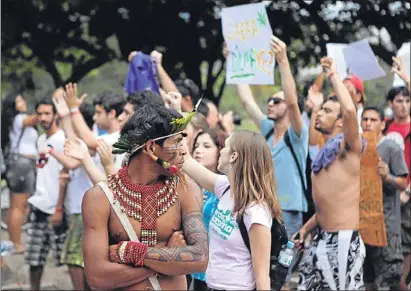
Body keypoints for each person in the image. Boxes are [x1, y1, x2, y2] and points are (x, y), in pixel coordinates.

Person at [80, 105, 207, 290]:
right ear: (151, 147)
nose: (183, 151)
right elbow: (98, 277)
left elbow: (201, 258)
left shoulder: (186, 189)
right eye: (176, 143)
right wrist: (167, 256)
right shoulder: (100, 198)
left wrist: (132, 252)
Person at [294, 57, 366, 290]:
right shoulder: (324, 150)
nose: (319, 113)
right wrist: (306, 228)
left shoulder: (349, 148)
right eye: (320, 109)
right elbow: (329, 204)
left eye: (326, 110)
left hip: (343, 241)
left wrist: (333, 75)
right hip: (320, 238)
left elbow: (349, 110)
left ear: (339, 121)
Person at [182, 130, 282, 290]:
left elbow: (263, 276)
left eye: (225, 146)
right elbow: (186, 162)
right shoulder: (226, 188)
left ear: (233, 156)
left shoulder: (256, 212)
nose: (221, 150)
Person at [232, 36, 309, 238]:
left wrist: (283, 61)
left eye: (277, 100)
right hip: (262, 208)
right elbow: (247, 102)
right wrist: (235, 61)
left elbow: (292, 103)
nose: (271, 104)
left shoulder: (298, 135)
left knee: (281, 267)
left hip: (289, 211)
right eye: (269, 100)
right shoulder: (267, 129)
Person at [361, 106, 408, 290]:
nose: (368, 123)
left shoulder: (391, 148)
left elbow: (403, 183)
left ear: (382, 124)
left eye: (373, 120)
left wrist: (387, 176)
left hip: (387, 225)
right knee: (368, 280)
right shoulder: (358, 147)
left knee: (392, 279)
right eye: (365, 119)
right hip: (363, 224)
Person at [25, 95, 68, 291]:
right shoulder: (40, 139)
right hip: (39, 205)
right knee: (34, 259)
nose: (43, 118)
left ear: (55, 115)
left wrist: (59, 207)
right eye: (40, 113)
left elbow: (64, 174)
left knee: (67, 259)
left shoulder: (62, 140)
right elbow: (41, 171)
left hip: (57, 208)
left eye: (47, 113)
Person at [190, 128, 228, 291]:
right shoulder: (192, 185)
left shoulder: (225, 187)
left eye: (206, 146)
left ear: (221, 150)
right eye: (197, 145)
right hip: (196, 268)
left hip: (216, 271)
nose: (198, 150)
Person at [1, 93, 38, 254]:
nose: (23, 102)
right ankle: (16, 243)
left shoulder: (14, 121)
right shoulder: (18, 119)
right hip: (21, 164)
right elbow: (34, 120)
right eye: (19, 100)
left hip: (21, 165)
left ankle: (15, 242)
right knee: (17, 205)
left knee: (19, 205)